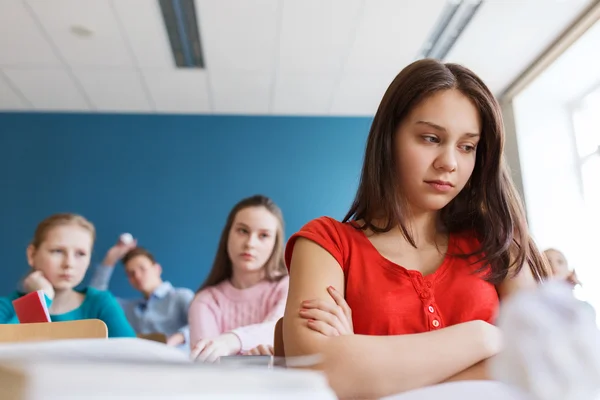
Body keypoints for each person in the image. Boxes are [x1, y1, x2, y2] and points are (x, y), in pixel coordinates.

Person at [282, 58, 551, 399]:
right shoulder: (326, 244)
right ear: (388, 138)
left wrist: (366, 369)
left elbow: (541, 362)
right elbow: (317, 372)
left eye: (467, 146)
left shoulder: (498, 240)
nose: (449, 162)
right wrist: (485, 337)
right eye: (430, 138)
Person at [188, 195, 289, 362]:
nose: (250, 243)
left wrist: (231, 341)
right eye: (243, 231)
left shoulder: (288, 287)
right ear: (228, 234)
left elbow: (279, 331)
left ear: (275, 244)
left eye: (263, 235)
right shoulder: (205, 301)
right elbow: (206, 363)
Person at [0, 213, 135, 338]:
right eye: (57, 251)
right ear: (32, 255)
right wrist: (40, 299)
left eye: (80, 254)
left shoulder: (101, 303)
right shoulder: (5, 307)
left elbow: (134, 356)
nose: (69, 263)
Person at [89, 241, 194, 349]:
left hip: (177, 361)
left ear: (157, 269)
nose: (137, 276)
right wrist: (110, 258)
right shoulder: (129, 308)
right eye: (131, 273)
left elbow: (203, 325)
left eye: (142, 269)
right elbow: (95, 298)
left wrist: (175, 339)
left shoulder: (180, 296)